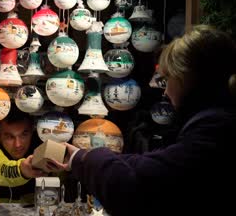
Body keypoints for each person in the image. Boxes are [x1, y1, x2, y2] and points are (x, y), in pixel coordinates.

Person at [47, 25, 236, 215]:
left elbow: (138, 185)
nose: (166, 91)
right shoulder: (217, 121)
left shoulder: (216, 129)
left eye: (167, 79)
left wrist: (84, 158)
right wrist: (83, 158)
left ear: (186, 79)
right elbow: (155, 163)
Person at [0, 107, 45, 203]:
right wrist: (23, 170)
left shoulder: (42, 145)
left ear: (32, 131)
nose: (18, 144)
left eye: (24, 135)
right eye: (9, 137)